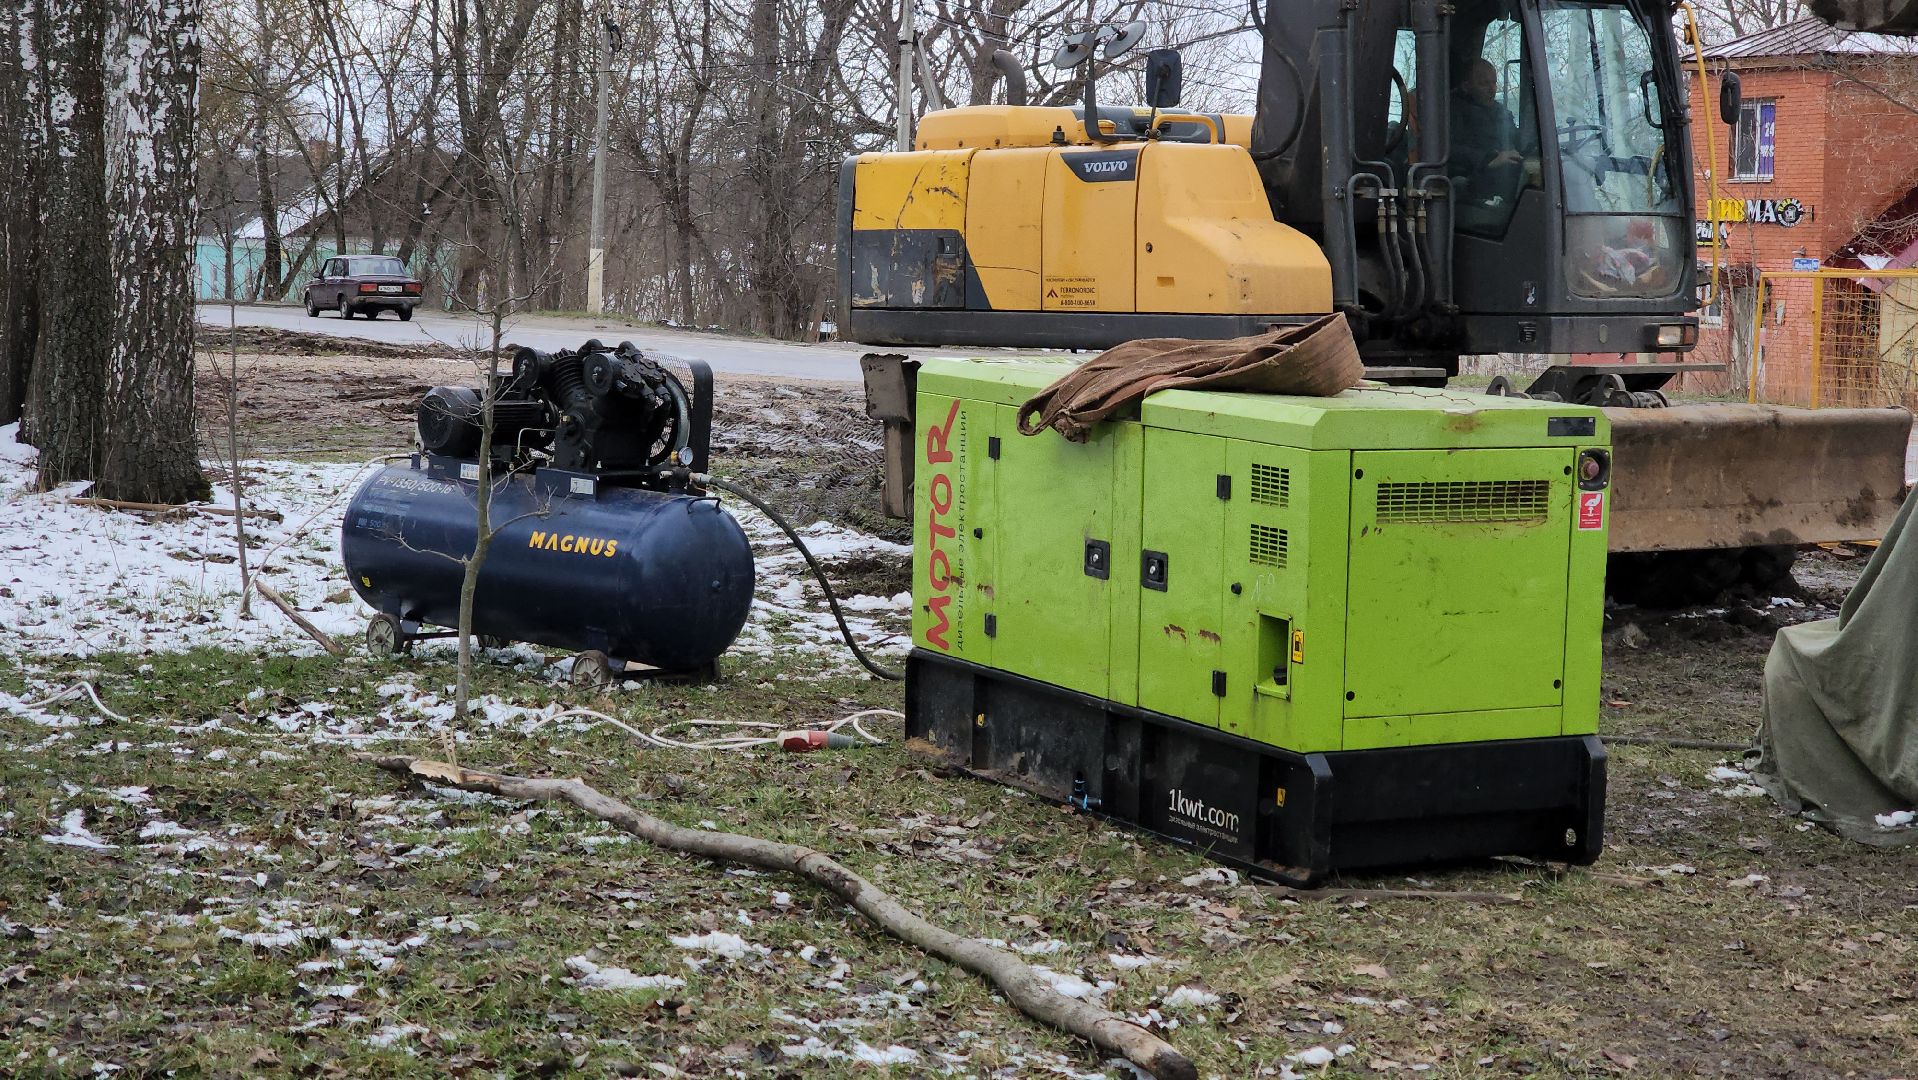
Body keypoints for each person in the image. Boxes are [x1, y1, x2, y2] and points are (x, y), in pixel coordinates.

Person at [1450, 58, 1523, 206]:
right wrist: (1488, 160)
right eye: (1484, 84)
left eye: (1494, 82)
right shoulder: (1451, 111)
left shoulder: (1501, 112)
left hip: (1507, 175)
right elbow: (1447, 149)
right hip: (1471, 184)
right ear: (1466, 86)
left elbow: (1516, 141)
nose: (1492, 89)